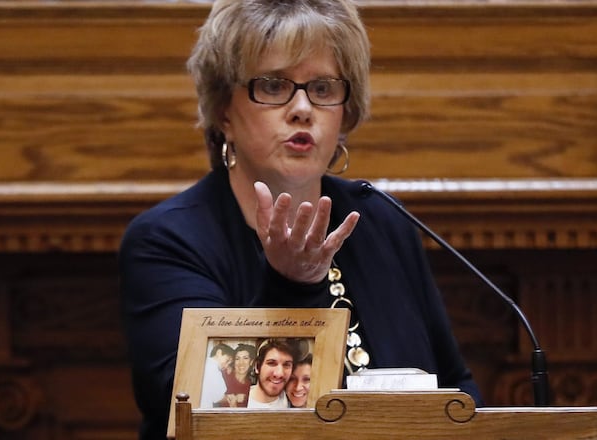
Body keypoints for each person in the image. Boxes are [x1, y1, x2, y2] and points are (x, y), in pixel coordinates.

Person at [119, 0, 482, 437]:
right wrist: (290, 286)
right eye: (273, 86)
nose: (302, 108)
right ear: (223, 113)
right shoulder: (167, 241)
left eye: (324, 88)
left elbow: (455, 389)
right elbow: (200, 412)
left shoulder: (382, 221)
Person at [246, 339, 295, 408]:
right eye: (271, 363)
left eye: (286, 365)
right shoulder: (239, 404)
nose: (279, 374)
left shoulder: (291, 399)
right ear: (257, 366)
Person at [219, 343, 256, 407]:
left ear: (251, 362)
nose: (241, 363)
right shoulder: (224, 375)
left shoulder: (251, 388)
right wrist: (227, 399)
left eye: (245, 358)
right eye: (237, 359)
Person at [199, 342, 234, 408]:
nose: (226, 366)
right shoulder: (214, 368)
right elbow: (218, 397)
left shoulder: (205, 363)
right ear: (219, 353)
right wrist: (232, 398)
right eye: (227, 360)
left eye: (229, 364)